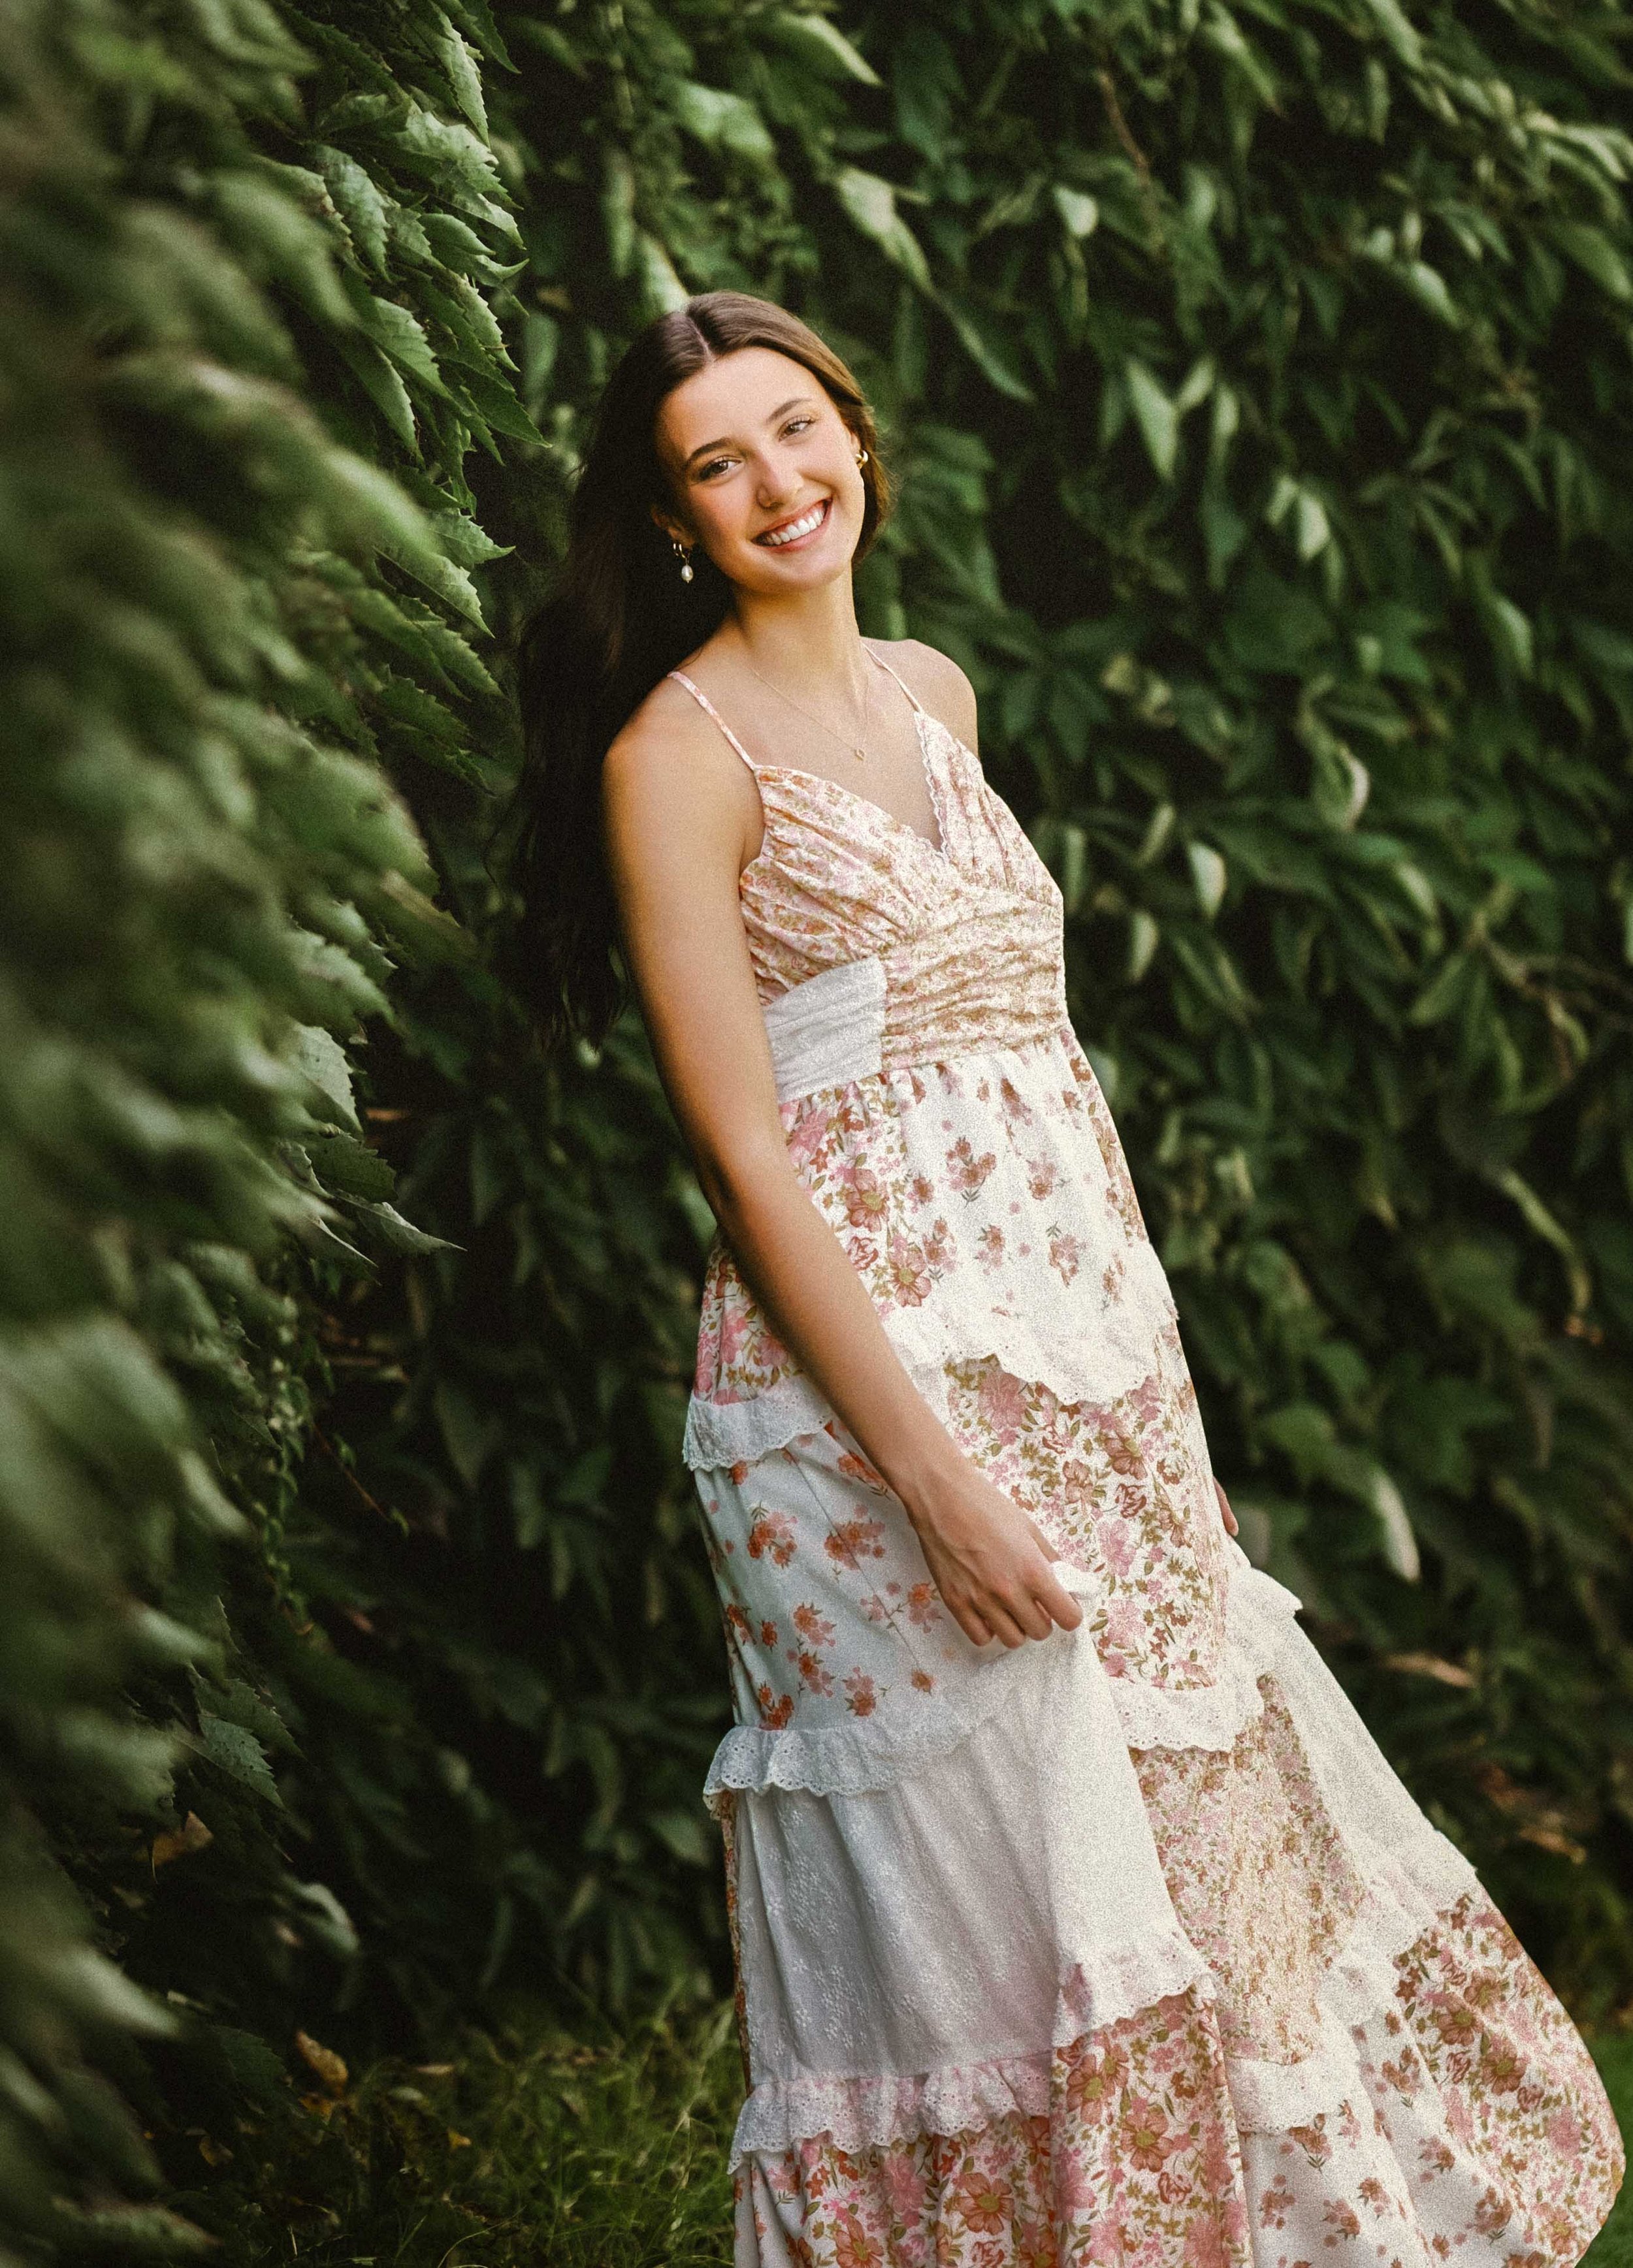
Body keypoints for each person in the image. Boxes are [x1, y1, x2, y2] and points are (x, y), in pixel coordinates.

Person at [511, 291, 1621, 2268]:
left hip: (1085, 1363)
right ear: (671, 520)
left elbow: (1033, 1084)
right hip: (866, 1413)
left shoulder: (935, 693)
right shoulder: (671, 758)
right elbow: (745, 1155)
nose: (778, 484)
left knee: (1188, 1865)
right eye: (716, 464)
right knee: (1005, 1918)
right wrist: (934, 1479)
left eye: (797, 428)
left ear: (856, 432)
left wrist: (1143, 1411)